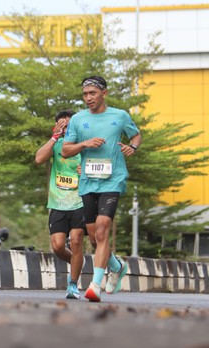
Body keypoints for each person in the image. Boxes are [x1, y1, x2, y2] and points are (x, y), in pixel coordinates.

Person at [62, 76, 141, 302]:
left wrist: (132, 147)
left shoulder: (120, 116)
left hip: (112, 179)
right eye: (85, 94)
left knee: (102, 228)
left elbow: (136, 134)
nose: (88, 98)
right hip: (88, 181)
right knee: (94, 237)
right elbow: (66, 150)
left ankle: (95, 285)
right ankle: (117, 266)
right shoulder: (78, 119)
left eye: (92, 93)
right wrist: (84, 144)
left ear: (104, 93)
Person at [35, 109, 85, 300]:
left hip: (80, 202)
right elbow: (39, 159)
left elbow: (98, 171)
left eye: (68, 125)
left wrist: (85, 172)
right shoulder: (55, 145)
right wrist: (55, 136)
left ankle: (73, 284)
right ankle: (77, 262)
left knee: (76, 242)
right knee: (57, 246)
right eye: (62, 125)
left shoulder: (83, 145)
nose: (65, 128)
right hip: (57, 203)